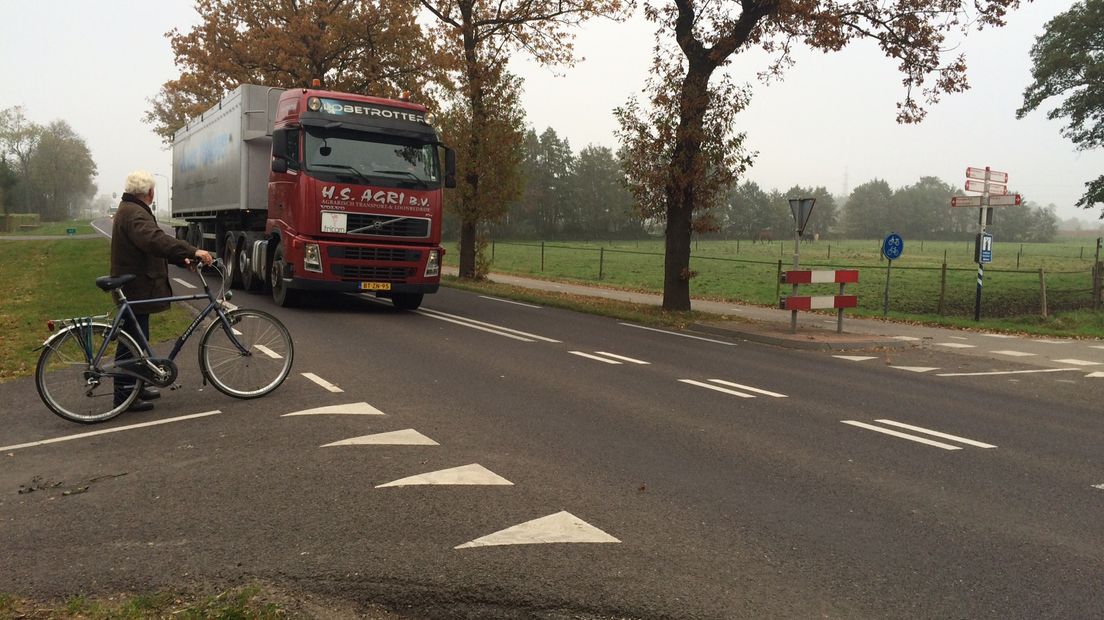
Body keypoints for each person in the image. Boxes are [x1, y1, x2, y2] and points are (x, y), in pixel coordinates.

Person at [111, 170, 213, 412]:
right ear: (150, 192)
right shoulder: (135, 213)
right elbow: (154, 240)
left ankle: (135, 386)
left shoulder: (130, 209)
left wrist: (180, 260)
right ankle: (124, 395)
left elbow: (148, 249)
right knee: (132, 342)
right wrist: (192, 251)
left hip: (136, 284)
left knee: (137, 339)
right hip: (135, 286)